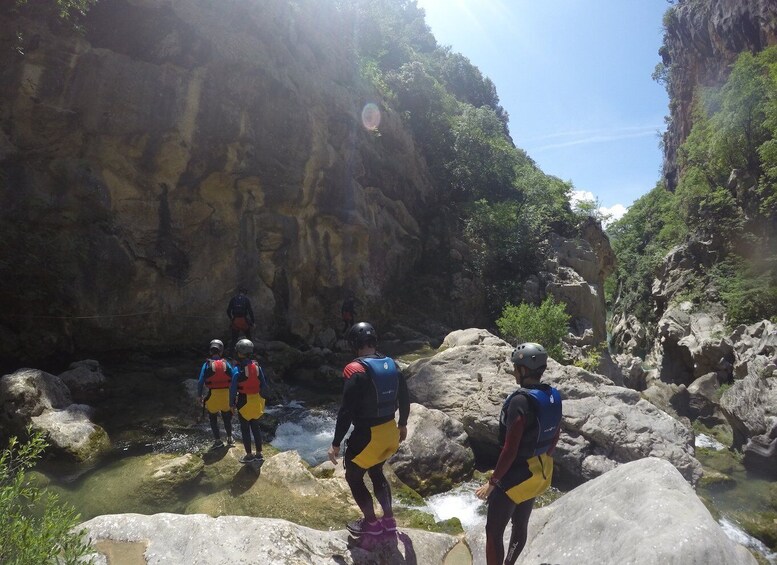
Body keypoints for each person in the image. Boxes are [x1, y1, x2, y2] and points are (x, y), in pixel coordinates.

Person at [475, 342, 563, 565]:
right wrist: (544, 457)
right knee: (520, 525)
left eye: (516, 367)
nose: (514, 371)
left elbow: (510, 449)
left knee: (493, 531)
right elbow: (555, 435)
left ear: (524, 370)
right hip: (539, 472)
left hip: (516, 475)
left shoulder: (519, 401)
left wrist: (493, 482)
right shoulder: (552, 395)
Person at [327, 322, 410, 537]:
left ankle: (371, 524)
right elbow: (405, 398)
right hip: (390, 432)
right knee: (376, 472)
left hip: (367, 436)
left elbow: (346, 411)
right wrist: (403, 425)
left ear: (354, 343)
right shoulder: (393, 365)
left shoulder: (355, 370)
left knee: (354, 478)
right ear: (374, 341)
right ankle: (389, 520)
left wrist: (336, 443)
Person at [230, 338, 269, 464]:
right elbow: (264, 385)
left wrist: (231, 404)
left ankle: (249, 455)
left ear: (240, 352)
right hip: (256, 400)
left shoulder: (238, 369)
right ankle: (259, 454)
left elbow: (233, 389)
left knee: (245, 429)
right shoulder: (257, 367)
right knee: (255, 427)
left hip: (243, 400)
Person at [197, 339, 235, 449]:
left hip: (213, 395)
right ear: (221, 352)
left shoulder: (207, 364)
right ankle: (229, 438)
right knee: (226, 417)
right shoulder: (226, 364)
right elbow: (233, 379)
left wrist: (199, 395)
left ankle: (218, 441)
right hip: (225, 395)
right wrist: (234, 396)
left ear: (210, 352)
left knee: (213, 418)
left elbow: (200, 381)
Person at [226, 287, 255, 353]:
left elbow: (228, 311)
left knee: (234, 340)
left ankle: (231, 355)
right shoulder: (246, 299)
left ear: (239, 292)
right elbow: (250, 311)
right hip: (243, 321)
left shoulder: (233, 299)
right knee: (249, 338)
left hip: (235, 320)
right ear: (245, 293)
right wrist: (253, 322)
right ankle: (251, 353)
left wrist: (232, 319)